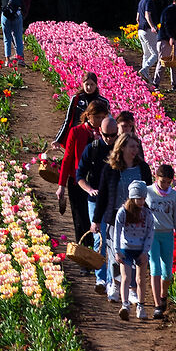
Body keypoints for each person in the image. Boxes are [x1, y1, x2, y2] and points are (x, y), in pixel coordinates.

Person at [99, 121, 150, 304]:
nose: (135, 150)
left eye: (137, 146)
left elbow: (148, 193)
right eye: (131, 146)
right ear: (122, 147)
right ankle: (113, 283)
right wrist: (97, 220)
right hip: (115, 215)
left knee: (135, 253)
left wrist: (149, 216)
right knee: (115, 252)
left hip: (137, 217)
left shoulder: (143, 168)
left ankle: (132, 289)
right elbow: (103, 195)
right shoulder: (110, 168)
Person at [56, 101, 109, 254]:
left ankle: (96, 255)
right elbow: (67, 159)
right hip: (77, 182)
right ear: (88, 116)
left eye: (102, 117)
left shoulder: (106, 135)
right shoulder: (77, 132)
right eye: (97, 117)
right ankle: (84, 257)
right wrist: (61, 185)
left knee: (96, 220)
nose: (100, 121)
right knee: (81, 220)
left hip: (98, 183)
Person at [144, 162, 176, 318]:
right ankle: (157, 305)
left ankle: (163, 296)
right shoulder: (148, 192)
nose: (165, 185)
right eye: (163, 181)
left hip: (167, 234)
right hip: (152, 234)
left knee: (167, 272)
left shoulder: (174, 196)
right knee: (155, 268)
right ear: (156, 177)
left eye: (168, 182)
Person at [111, 193, 153, 320]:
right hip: (126, 249)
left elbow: (150, 233)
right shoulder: (123, 212)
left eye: (143, 198)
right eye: (138, 198)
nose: (141, 201)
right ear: (132, 198)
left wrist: (145, 252)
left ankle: (140, 306)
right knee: (125, 278)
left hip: (141, 249)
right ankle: (125, 305)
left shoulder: (147, 214)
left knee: (140, 279)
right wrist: (117, 251)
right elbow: (116, 233)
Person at [151, 0, 176, 89]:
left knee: (174, 62)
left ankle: (175, 84)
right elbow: (166, 25)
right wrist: (170, 37)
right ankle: (155, 84)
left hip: (170, 38)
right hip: (165, 39)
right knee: (163, 62)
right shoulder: (170, 10)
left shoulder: (173, 10)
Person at [134, 0, 165, 78]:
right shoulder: (149, 2)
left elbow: (137, 18)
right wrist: (152, 26)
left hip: (141, 30)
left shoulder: (141, 1)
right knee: (156, 54)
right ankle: (144, 70)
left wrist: (141, 26)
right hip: (147, 30)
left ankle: (145, 77)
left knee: (146, 54)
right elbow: (148, 15)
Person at [0, 0, 28, 64]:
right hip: (16, 17)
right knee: (18, 37)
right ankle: (20, 59)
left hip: (5, 18)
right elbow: (24, 9)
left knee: (7, 38)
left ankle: (7, 59)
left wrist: (1, 14)